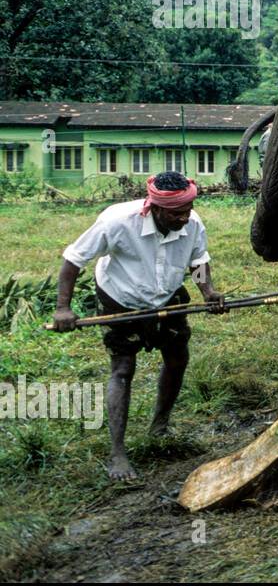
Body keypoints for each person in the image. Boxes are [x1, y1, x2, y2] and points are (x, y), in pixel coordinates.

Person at [52, 172, 226, 479]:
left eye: (187, 210)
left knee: (177, 358)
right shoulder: (117, 222)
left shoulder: (192, 222)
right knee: (122, 369)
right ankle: (117, 453)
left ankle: (160, 425)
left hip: (167, 295)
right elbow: (73, 260)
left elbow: (197, 263)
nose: (184, 218)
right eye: (176, 213)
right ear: (155, 208)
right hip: (122, 299)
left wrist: (208, 292)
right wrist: (63, 308)